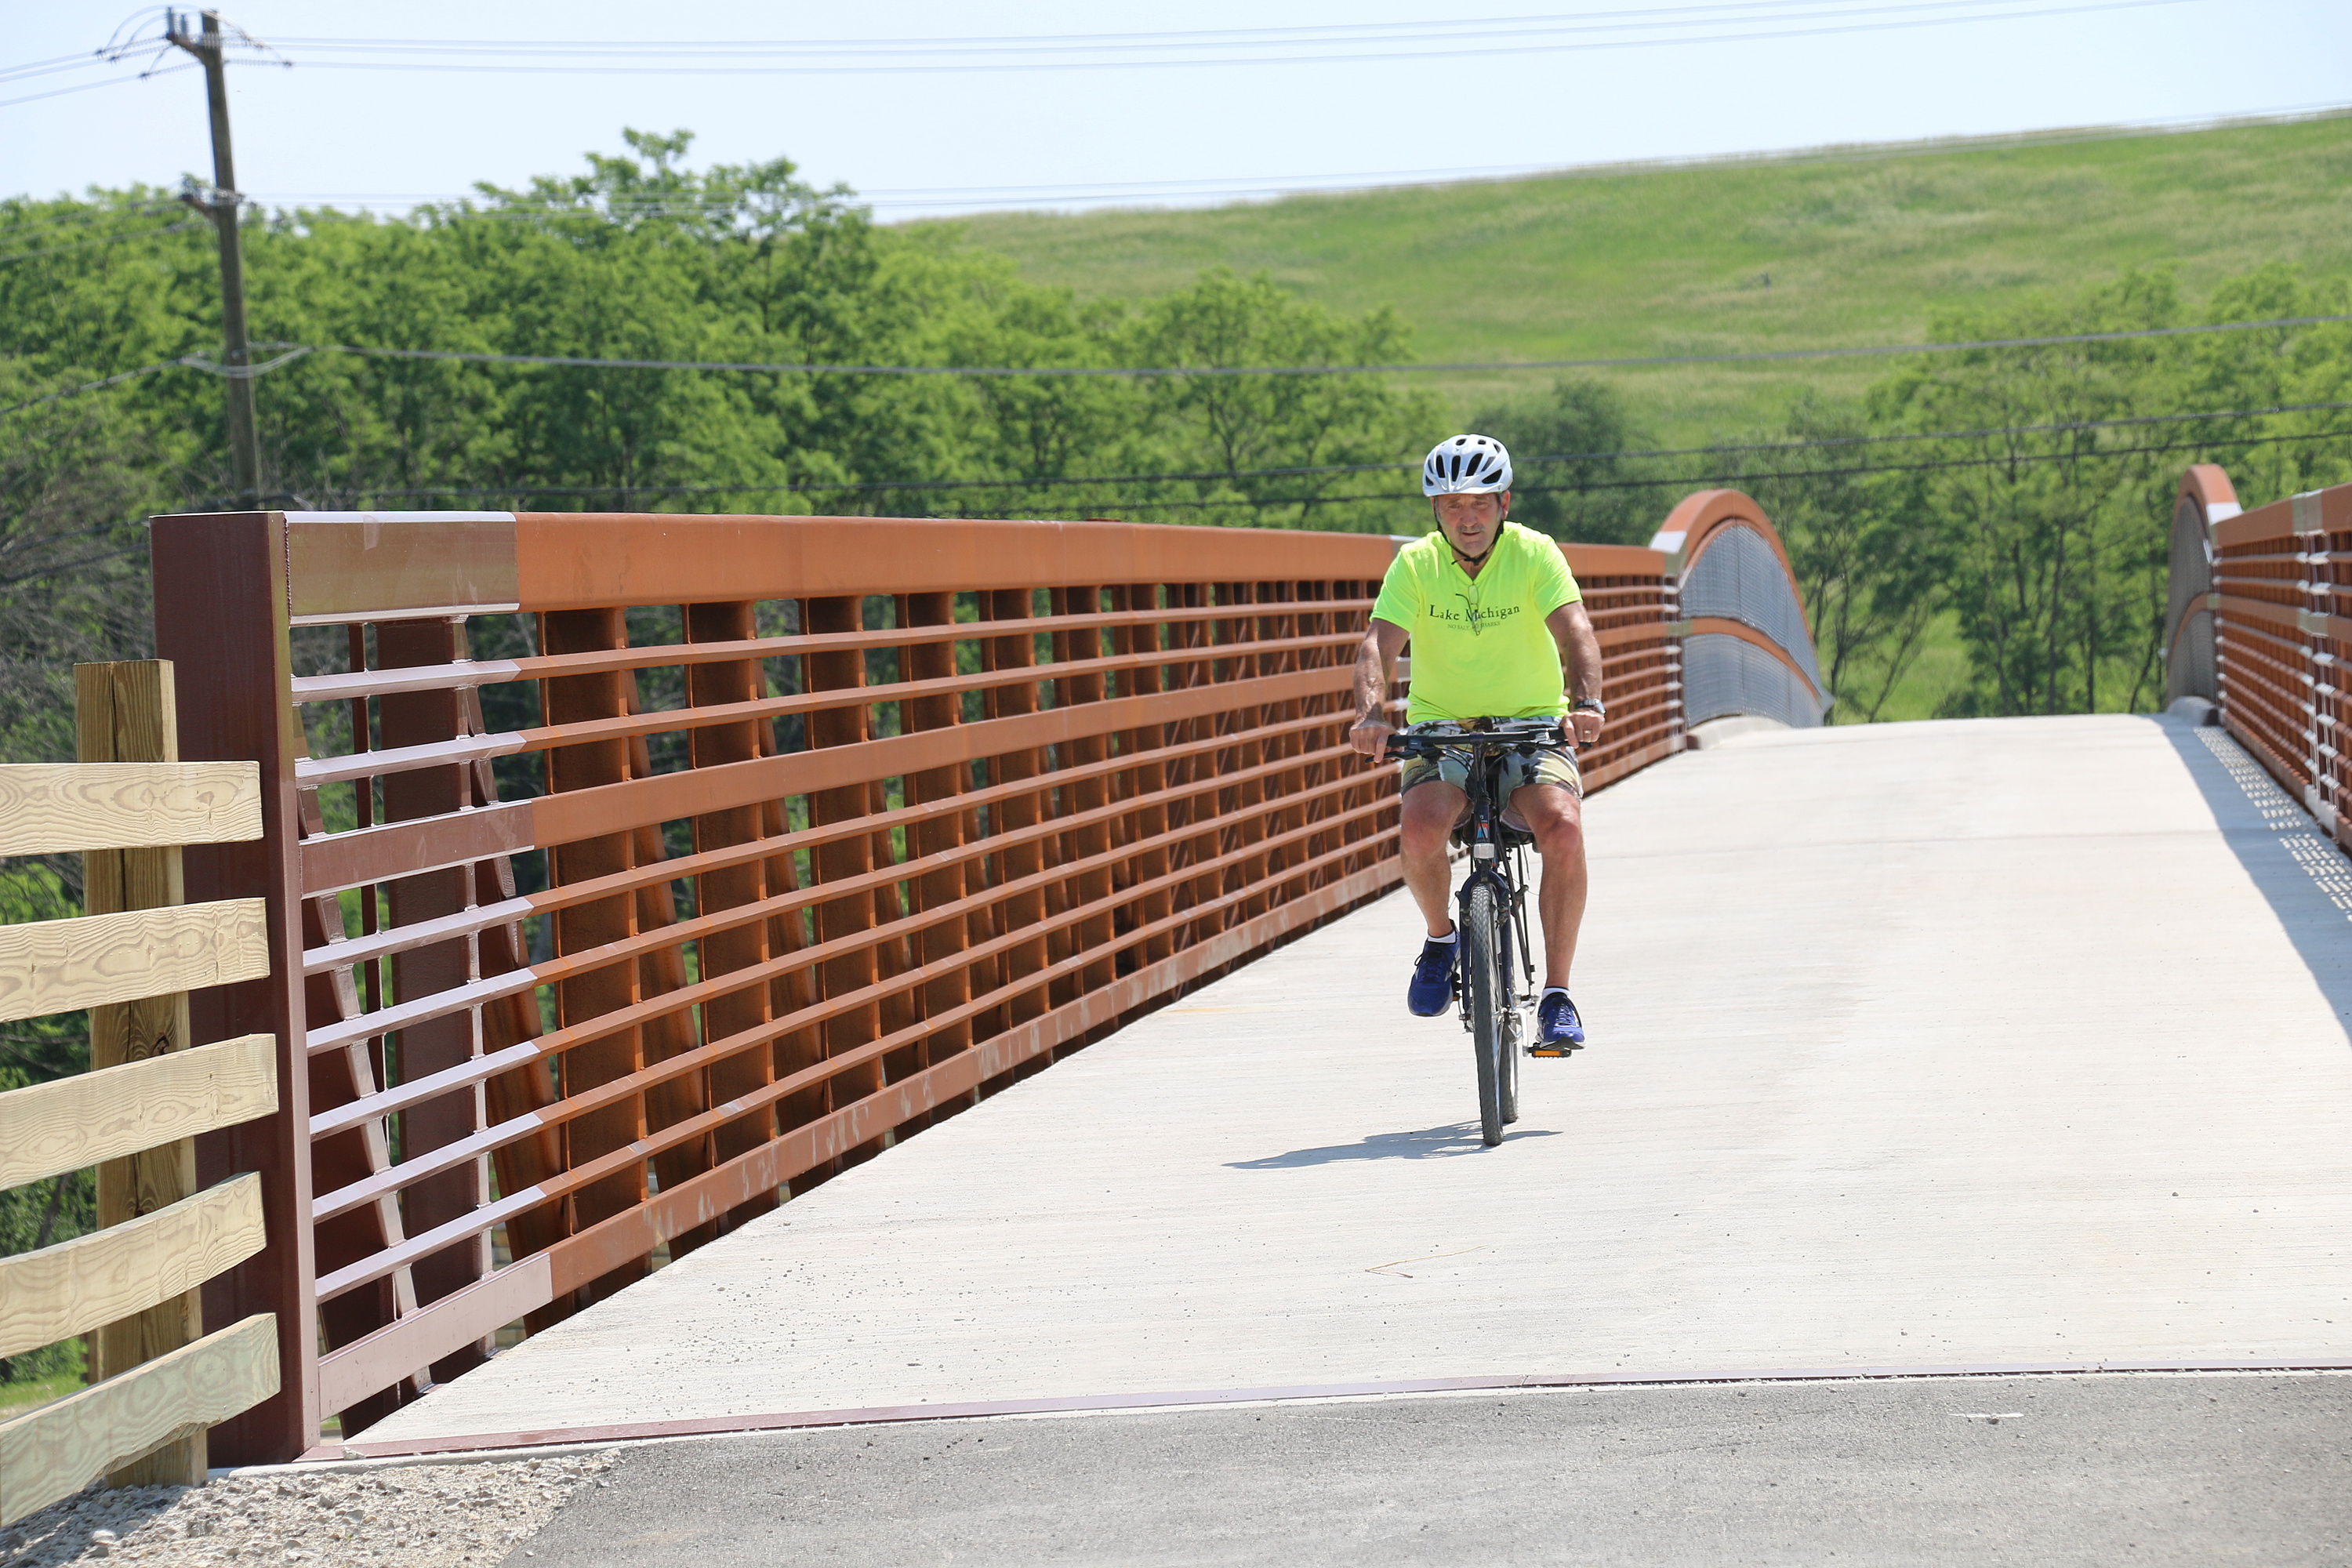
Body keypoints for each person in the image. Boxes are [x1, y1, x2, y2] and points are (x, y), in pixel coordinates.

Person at [1348, 434, 1606, 1051]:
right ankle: (1442, 939)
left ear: (1504, 503)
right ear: (1435, 511)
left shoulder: (1535, 554)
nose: (1467, 518)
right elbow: (1377, 646)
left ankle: (1558, 995)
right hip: (1443, 728)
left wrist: (1587, 701)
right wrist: (1370, 714)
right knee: (1419, 826)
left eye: (1480, 504)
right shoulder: (1416, 565)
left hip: (1532, 722)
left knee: (1564, 826)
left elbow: (1576, 631)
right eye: (1452, 504)